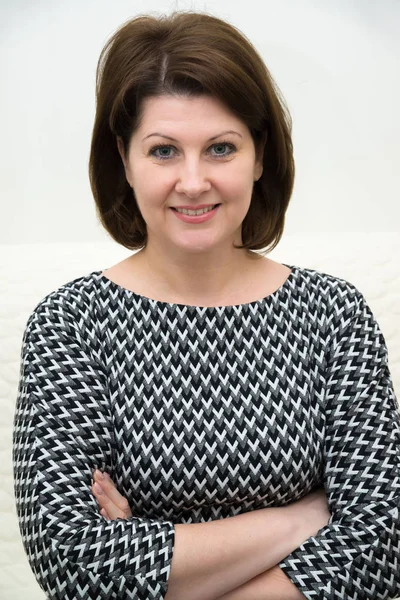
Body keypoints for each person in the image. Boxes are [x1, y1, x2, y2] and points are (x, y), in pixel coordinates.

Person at [12, 9, 400, 600]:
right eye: (164, 151)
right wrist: (303, 517)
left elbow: (379, 548)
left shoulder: (334, 315)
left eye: (220, 148)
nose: (193, 182)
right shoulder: (70, 325)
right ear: (125, 159)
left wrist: (152, 556)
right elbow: (75, 570)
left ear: (260, 154)